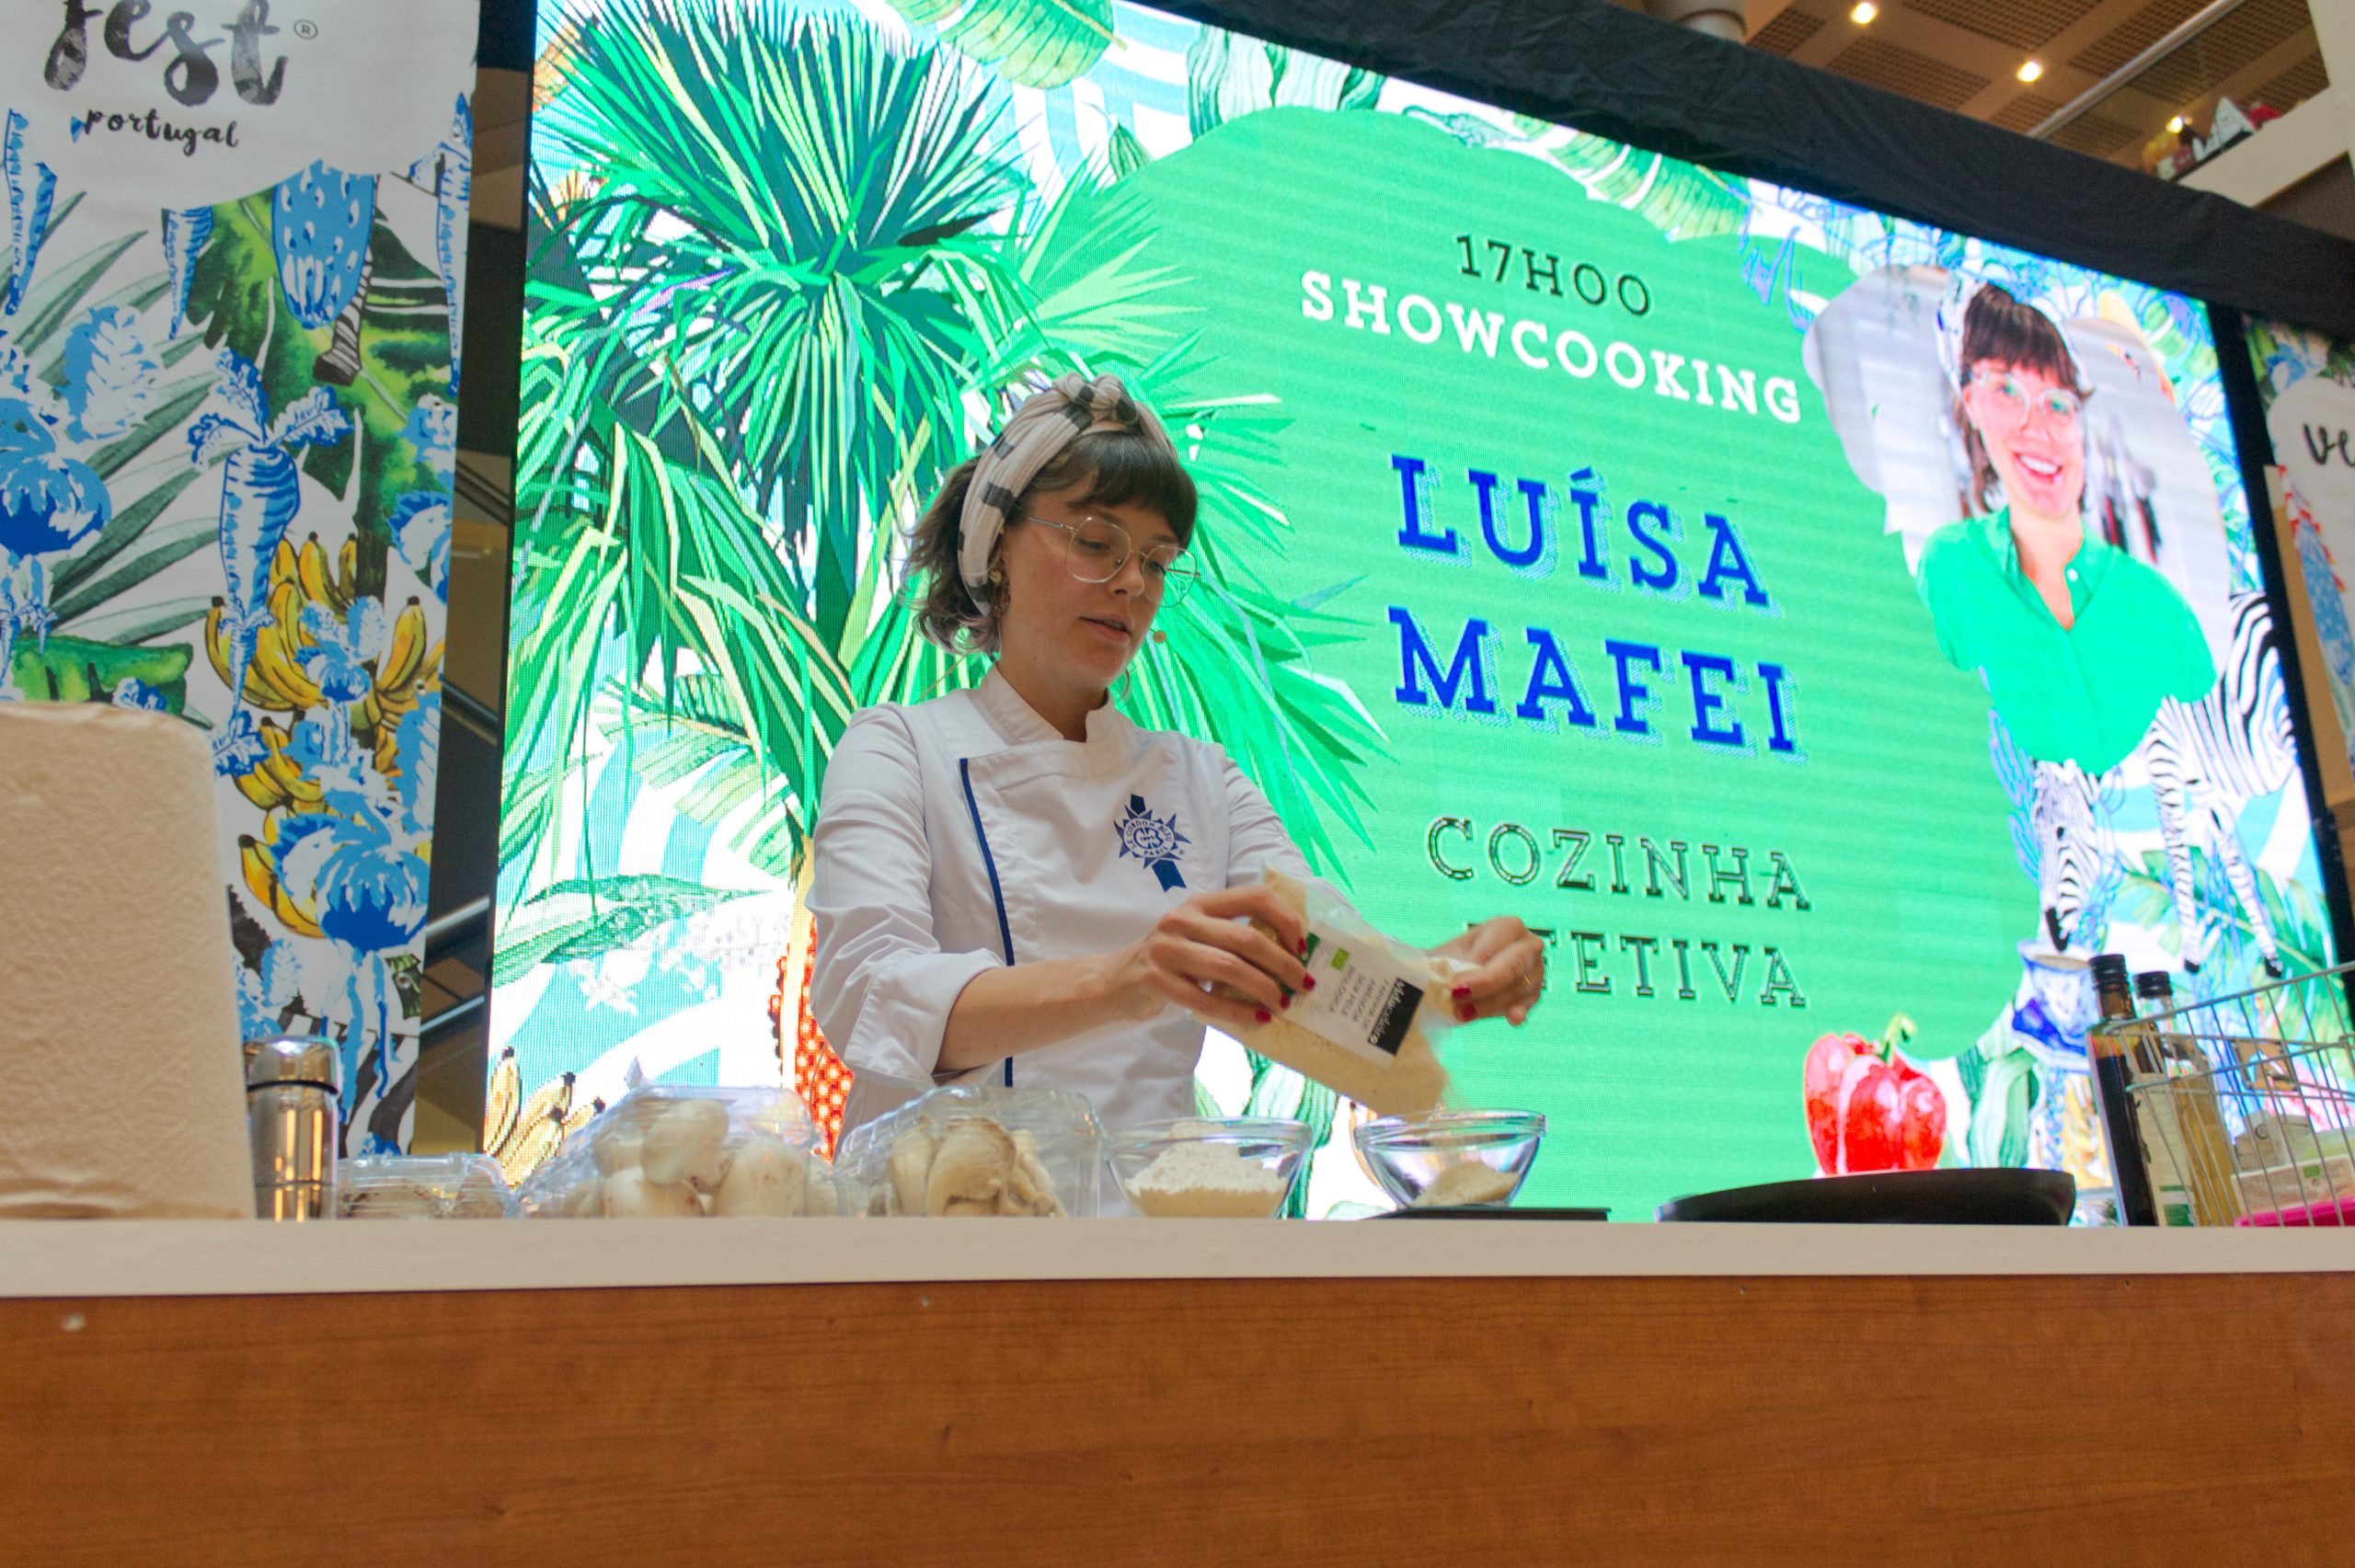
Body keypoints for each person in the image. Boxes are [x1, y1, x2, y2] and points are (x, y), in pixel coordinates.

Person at [808, 372, 1546, 1134]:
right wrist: (1126, 977)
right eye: (1096, 542)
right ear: (997, 548)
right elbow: (870, 990)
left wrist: (1455, 969)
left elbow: (1331, 982)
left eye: (1157, 561)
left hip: (1144, 1206)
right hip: (940, 1200)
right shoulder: (899, 749)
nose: (1132, 581)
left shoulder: (1200, 781)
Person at [1915, 283, 2216, 775]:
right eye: (2006, 392)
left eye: (2057, 403)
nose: (2036, 429)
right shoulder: (1953, 568)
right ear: (1970, 402)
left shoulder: (2158, 608)